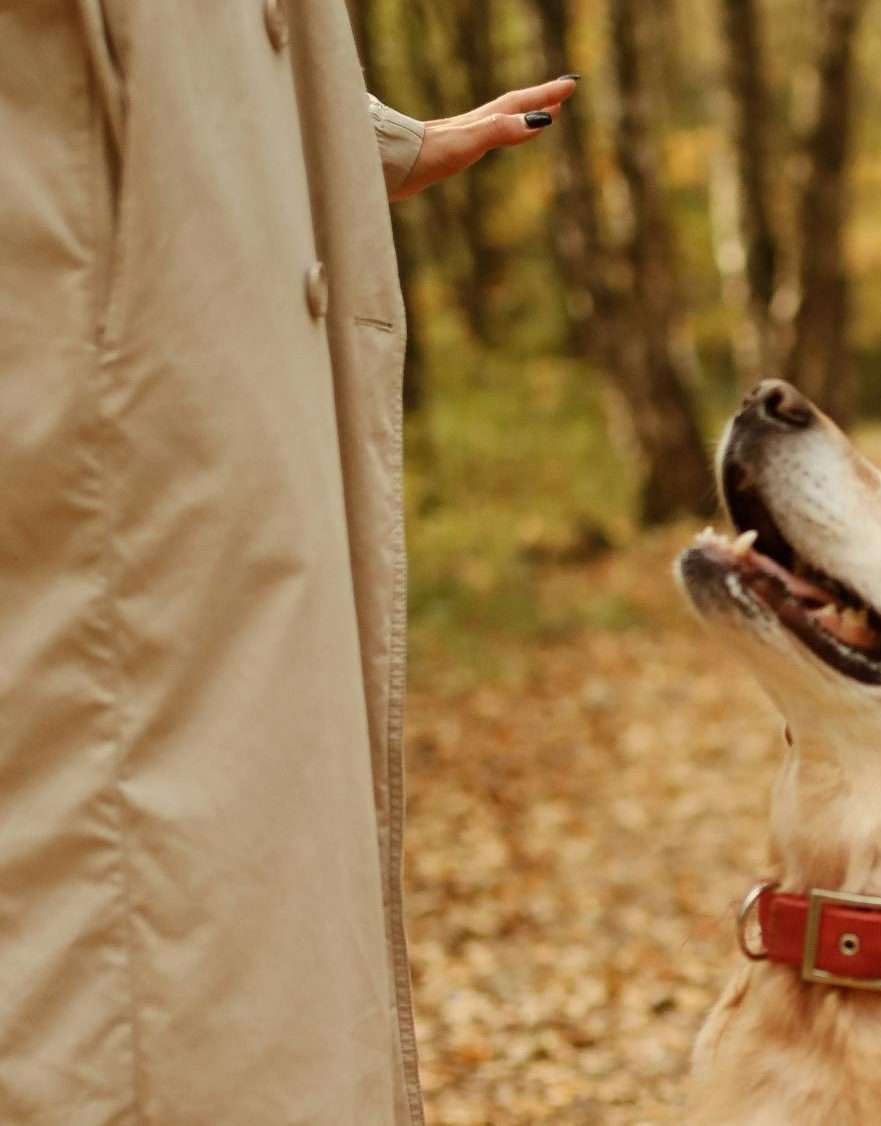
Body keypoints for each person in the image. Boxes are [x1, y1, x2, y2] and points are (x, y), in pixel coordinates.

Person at [0, 5, 573, 1122]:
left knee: (235, 904)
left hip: (192, 287)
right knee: (126, 919)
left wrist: (357, 143)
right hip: (99, 310)